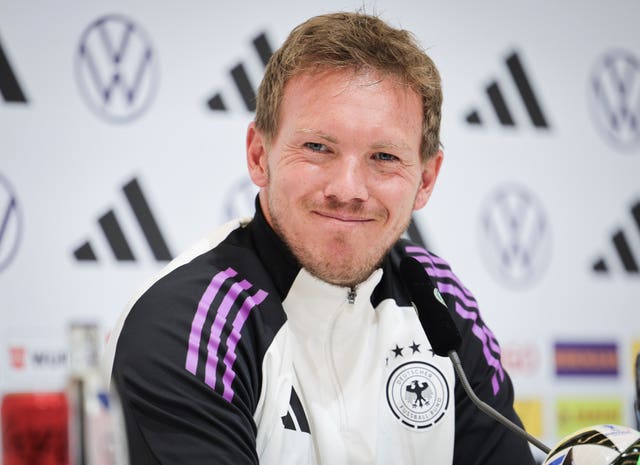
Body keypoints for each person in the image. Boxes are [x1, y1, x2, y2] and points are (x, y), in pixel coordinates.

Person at [103, 11, 536, 465]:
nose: (348, 189)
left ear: (425, 179)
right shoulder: (188, 324)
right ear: (258, 155)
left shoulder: (438, 301)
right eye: (317, 148)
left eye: (384, 156)